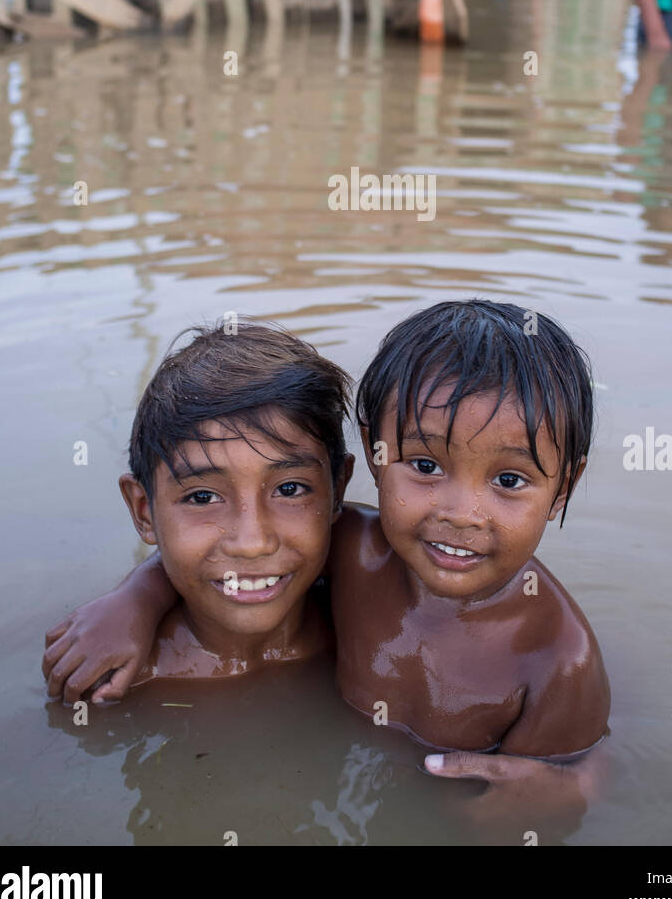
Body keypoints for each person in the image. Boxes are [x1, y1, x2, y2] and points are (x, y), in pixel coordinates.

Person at [44, 302, 609, 782]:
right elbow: (202, 556)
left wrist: (568, 794)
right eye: (424, 465)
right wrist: (132, 603)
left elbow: (568, 781)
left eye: (509, 480)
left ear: (565, 487)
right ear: (373, 454)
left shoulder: (559, 663)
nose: (461, 514)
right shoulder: (355, 550)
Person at [43, 322, 352, 695]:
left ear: (337, 490)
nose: (252, 543)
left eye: (289, 489)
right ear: (144, 511)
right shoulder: (116, 674)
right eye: (202, 498)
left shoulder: (360, 622)